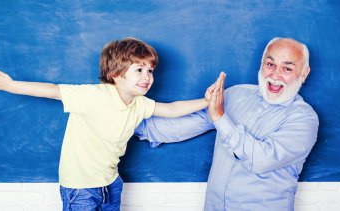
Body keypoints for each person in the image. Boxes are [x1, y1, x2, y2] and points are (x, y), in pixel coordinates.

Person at [0, 37, 222, 211]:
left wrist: (206, 101)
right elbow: (53, 91)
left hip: (111, 183)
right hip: (80, 188)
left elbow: (171, 110)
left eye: (150, 70)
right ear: (116, 74)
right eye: (139, 70)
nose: (147, 77)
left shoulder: (139, 104)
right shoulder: (95, 96)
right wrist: (12, 86)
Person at [135, 37, 319, 211]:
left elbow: (262, 160)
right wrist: (121, 116)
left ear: (304, 73)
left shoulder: (304, 118)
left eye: (287, 69)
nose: (275, 75)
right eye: (270, 64)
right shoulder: (236, 95)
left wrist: (221, 118)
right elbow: (179, 127)